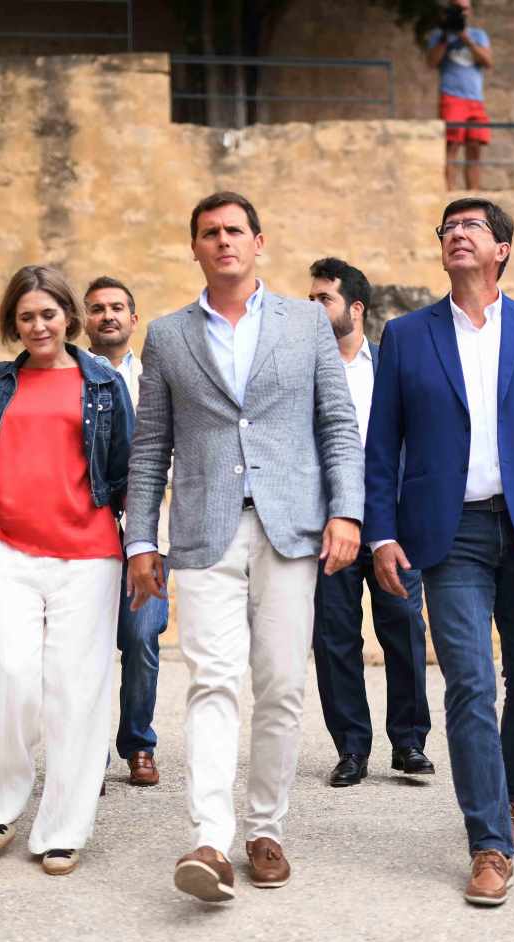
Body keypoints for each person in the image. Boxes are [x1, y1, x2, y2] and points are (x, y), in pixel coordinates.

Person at [125, 191, 365, 902]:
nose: (223, 241)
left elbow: (338, 425)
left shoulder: (304, 324)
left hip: (292, 529)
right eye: (209, 233)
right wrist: (143, 537)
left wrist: (346, 513)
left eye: (235, 230)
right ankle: (209, 836)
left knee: (284, 683)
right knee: (210, 680)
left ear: (259, 242)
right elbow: (149, 450)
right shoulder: (167, 336)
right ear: (195, 247)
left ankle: (266, 829)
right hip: (203, 529)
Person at [365, 197, 514, 907]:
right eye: (447, 228)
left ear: (502, 249)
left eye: (471, 227)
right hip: (448, 532)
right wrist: (381, 531)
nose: (456, 235)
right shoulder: (406, 336)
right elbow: (382, 446)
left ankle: (511, 788)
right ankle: (489, 843)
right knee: (468, 681)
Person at [0, 265, 133, 877]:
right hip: (5, 546)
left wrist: (142, 546)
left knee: (76, 691)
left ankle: (64, 827)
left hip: (87, 554)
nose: (38, 325)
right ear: (14, 322)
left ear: (69, 316)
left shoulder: (104, 383)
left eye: (48, 314)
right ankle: (2, 802)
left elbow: (126, 468)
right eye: (26, 316)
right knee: (7, 674)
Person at [306, 257, 433, 788]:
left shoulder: (392, 366)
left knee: (404, 626)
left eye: (324, 300)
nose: (313, 309)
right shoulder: (303, 370)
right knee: (335, 638)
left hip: (390, 524)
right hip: (326, 523)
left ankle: (408, 742)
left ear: (355, 308)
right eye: (310, 300)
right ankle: (351, 748)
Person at [82, 275, 168, 787]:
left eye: (117, 308)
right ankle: (87, 747)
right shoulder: (73, 377)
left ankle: (138, 742)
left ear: (134, 319)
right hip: (87, 531)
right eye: (97, 309)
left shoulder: (157, 378)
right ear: (86, 321)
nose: (108, 316)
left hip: (151, 531)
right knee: (86, 644)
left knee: (141, 637)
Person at [426, 0, 493, 191]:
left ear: (469, 11)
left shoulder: (479, 35)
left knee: (475, 147)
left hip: (475, 99)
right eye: (457, 8)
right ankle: (450, 192)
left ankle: (474, 194)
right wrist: (446, 38)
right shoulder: (439, 36)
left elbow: (487, 61)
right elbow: (431, 63)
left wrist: (466, 39)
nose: (461, 12)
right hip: (452, 97)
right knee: (452, 145)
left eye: (464, 8)